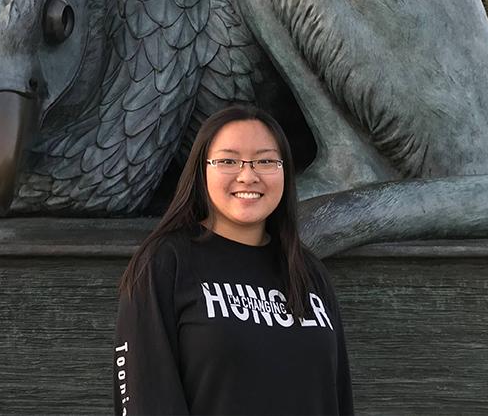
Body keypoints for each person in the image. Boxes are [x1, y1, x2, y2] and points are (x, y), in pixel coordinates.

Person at [112, 106, 353, 416]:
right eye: (228, 160)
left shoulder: (308, 272)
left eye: (265, 161)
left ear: (284, 172)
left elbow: (340, 397)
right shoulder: (164, 264)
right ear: (202, 171)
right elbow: (145, 398)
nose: (248, 175)